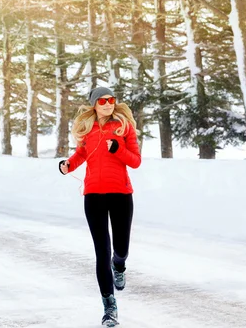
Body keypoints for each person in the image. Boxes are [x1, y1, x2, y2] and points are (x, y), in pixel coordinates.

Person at [59, 87, 141, 327]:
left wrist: (118, 150)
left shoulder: (124, 127)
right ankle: (109, 307)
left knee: (121, 248)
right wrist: (68, 165)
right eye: (103, 101)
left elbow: (135, 161)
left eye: (112, 100)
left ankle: (120, 264)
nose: (108, 104)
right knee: (101, 252)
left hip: (121, 194)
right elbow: (81, 153)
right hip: (93, 195)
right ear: (94, 104)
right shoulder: (88, 130)